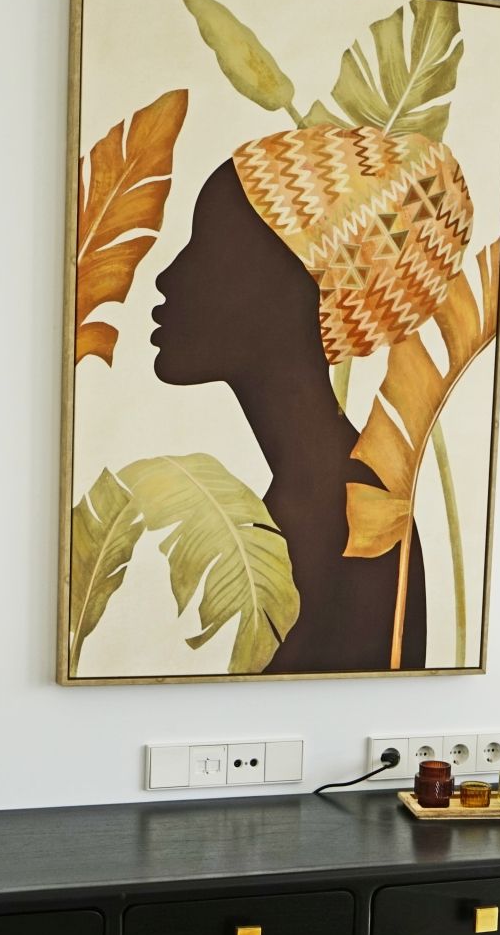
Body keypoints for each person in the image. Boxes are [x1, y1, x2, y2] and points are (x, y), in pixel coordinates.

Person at [151, 125, 474, 672]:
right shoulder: (323, 498)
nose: (167, 277)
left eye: (207, 249)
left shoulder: (352, 521)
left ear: (299, 294)